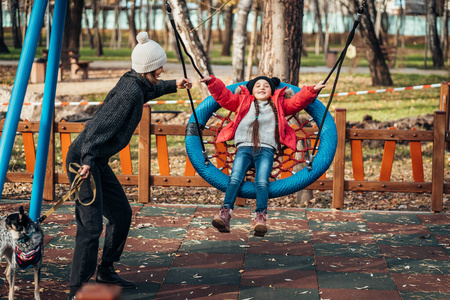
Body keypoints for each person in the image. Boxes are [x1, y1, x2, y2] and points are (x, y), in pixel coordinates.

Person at [65, 32, 192, 300]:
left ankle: (106, 270)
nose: (162, 70)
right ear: (148, 68)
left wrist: (174, 84)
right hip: (84, 161)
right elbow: (96, 128)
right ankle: (78, 291)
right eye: (160, 67)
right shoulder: (129, 93)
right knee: (90, 227)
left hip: (95, 159)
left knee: (121, 214)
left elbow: (151, 87)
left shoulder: (136, 82)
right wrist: (87, 160)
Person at [200, 75, 325, 237]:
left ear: (272, 90)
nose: (262, 87)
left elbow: (297, 102)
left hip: (266, 149)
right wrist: (212, 82)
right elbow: (224, 96)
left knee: (261, 181)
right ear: (251, 90)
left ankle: (260, 217)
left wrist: (312, 90)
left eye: (266, 85)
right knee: (235, 178)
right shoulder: (241, 101)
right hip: (244, 148)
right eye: (257, 85)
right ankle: (225, 213)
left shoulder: (279, 104)